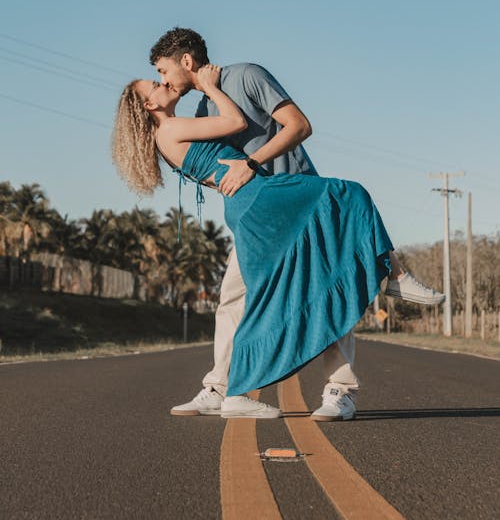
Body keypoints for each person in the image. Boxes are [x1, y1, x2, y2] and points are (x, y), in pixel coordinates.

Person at [113, 44, 444, 422]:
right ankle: (224, 389)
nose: (163, 81)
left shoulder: (246, 76)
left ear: (185, 61)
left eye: (162, 72)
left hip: (285, 194)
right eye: (155, 81)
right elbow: (231, 131)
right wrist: (218, 108)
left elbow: (299, 126)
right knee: (241, 297)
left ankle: (334, 387)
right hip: (261, 206)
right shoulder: (190, 115)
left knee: (314, 278)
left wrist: (240, 162)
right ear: (149, 107)